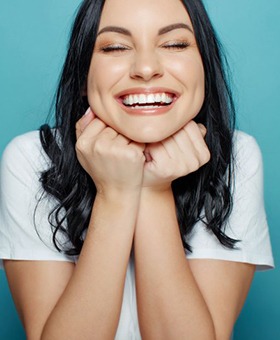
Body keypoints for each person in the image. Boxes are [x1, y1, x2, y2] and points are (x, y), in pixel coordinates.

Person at [0, 0, 274, 339]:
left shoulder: (236, 157)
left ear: (205, 64)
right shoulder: (33, 158)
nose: (146, 68)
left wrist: (153, 188)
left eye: (174, 44)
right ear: (83, 73)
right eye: (115, 47)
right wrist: (115, 195)